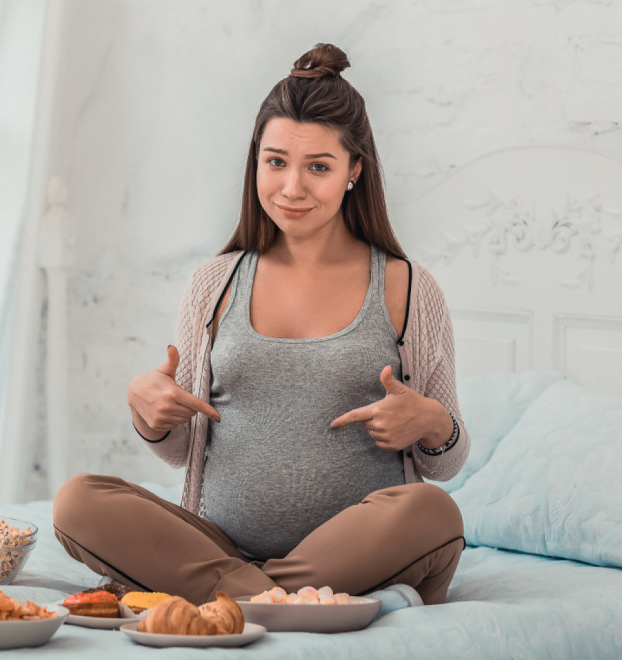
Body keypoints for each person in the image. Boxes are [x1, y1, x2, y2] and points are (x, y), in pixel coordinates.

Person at [53, 43, 469, 610]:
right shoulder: (215, 282)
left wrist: (429, 419)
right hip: (219, 548)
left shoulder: (407, 287)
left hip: (351, 554)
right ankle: (277, 600)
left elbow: (445, 461)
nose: (291, 188)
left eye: (318, 167)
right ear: (256, 163)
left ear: (354, 171)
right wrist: (148, 412)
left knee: (433, 514)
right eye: (275, 162)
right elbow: (181, 451)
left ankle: (237, 600)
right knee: (78, 501)